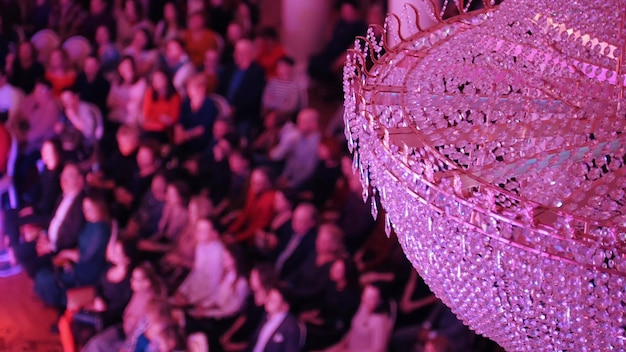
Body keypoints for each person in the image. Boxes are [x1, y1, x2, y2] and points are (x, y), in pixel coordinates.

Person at [34, 195, 111, 309]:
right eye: (84, 209)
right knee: (44, 272)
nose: (86, 212)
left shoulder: (101, 230)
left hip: (86, 271)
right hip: (78, 263)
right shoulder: (91, 224)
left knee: (45, 277)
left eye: (89, 209)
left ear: (99, 207)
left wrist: (65, 254)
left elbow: (84, 256)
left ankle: (56, 303)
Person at [13, 163, 85, 277]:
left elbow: (73, 235)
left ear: (80, 181)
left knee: (31, 265)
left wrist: (51, 246)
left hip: (58, 247)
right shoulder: (62, 196)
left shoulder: (81, 205)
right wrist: (42, 234)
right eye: (62, 176)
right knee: (20, 250)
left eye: (69, 177)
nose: (63, 180)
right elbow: (53, 220)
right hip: (47, 237)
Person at [82, 263, 165, 352]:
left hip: (129, 340)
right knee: (94, 343)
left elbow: (138, 332)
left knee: (97, 346)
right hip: (122, 329)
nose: (131, 281)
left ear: (146, 283)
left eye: (135, 279)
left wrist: (126, 347)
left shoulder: (151, 304)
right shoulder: (137, 292)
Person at [217, 38, 265, 140]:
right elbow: (220, 89)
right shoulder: (229, 68)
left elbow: (254, 97)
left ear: (246, 53)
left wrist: (236, 108)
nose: (234, 54)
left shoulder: (257, 72)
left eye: (237, 52)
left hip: (245, 114)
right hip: (224, 111)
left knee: (241, 132)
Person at [326, 284, 394, 352]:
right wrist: (338, 347)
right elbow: (352, 331)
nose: (367, 300)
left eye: (372, 298)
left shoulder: (379, 320)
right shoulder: (362, 309)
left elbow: (378, 349)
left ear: (379, 301)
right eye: (365, 296)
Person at [273, 108, 321, 190]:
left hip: (302, 186)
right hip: (290, 178)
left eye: (301, 122)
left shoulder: (318, 144)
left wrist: (292, 184)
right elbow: (292, 159)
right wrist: (285, 175)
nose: (298, 124)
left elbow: (309, 171)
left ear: (312, 124)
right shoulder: (298, 137)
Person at [173, 73, 218, 159]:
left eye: (191, 87)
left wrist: (186, 136)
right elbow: (180, 122)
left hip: (201, 140)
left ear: (202, 88)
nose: (188, 90)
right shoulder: (186, 103)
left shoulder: (209, 105)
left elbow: (203, 129)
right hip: (184, 139)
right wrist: (179, 133)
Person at [246, 285, 301, 352]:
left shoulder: (291, 328)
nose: (267, 301)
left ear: (285, 306)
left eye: (272, 300)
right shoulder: (265, 316)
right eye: (268, 297)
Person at [272, 203, 318, 280]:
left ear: (312, 223)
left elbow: (301, 269)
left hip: (287, 279)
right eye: (294, 219)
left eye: (300, 221)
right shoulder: (288, 229)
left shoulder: (312, 243)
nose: (295, 224)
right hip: (272, 271)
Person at [141, 69, 180, 143]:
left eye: (159, 78)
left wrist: (155, 117)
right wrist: (161, 117)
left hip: (164, 131)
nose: (157, 82)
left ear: (167, 78)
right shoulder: (149, 93)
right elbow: (147, 115)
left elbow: (172, 119)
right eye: (154, 80)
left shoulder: (175, 97)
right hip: (148, 129)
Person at [106, 56, 147, 127]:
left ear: (133, 67)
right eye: (123, 66)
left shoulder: (141, 82)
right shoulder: (116, 82)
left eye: (128, 66)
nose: (126, 69)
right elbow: (109, 102)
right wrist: (128, 101)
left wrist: (118, 101)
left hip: (132, 120)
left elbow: (136, 104)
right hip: (116, 117)